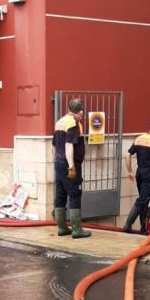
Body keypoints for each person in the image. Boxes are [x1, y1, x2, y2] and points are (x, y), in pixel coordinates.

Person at [53, 98, 90, 239]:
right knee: (75, 194)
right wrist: (71, 166)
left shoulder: (60, 122)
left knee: (60, 194)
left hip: (58, 162)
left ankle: (62, 227)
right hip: (69, 163)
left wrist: (57, 161)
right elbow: (69, 145)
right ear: (80, 112)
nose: (82, 116)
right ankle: (76, 229)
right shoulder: (74, 123)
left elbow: (54, 146)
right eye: (82, 113)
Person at [123, 117, 150, 234]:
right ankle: (128, 224)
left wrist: (130, 171)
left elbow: (127, 155)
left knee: (145, 199)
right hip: (149, 174)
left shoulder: (139, 138)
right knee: (142, 199)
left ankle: (143, 228)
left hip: (139, 173)